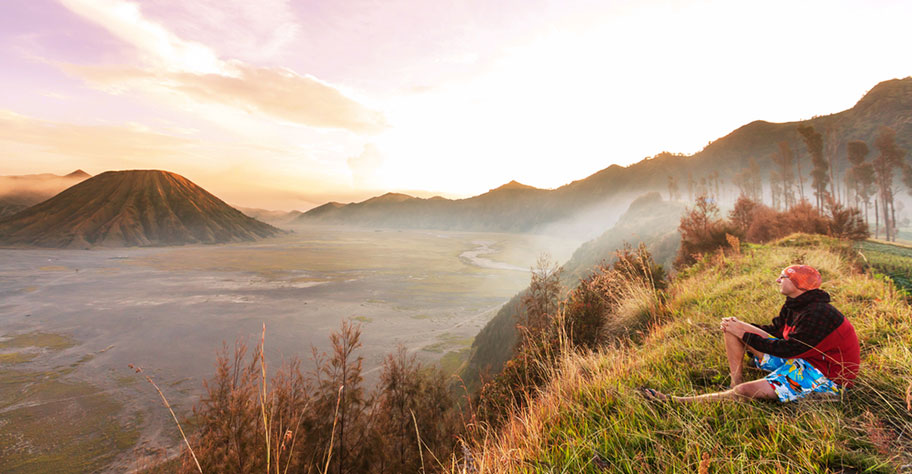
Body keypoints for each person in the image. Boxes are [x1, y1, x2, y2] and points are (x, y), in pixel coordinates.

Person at [642, 264, 860, 403]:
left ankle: (675, 401)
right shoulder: (795, 303)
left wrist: (747, 336)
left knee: (747, 391)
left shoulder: (819, 313)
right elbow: (776, 331)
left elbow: (790, 348)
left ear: (796, 283)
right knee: (732, 327)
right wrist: (741, 328)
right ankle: (734, 382)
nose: (778, 280)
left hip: (827, 376)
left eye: (782, 276)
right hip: (800, 358)